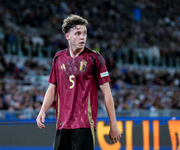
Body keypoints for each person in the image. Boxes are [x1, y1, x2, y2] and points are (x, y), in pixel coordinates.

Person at [36, 14, 121, 150]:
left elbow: (107, 93)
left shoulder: (94, 58)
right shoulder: (58, 58)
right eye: (78, 33)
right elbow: (52, 88)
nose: (83, 37)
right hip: (62, 125)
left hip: (84, 125)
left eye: (84, 33)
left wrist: (113, 124)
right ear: (67, 36)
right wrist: (42, 111)